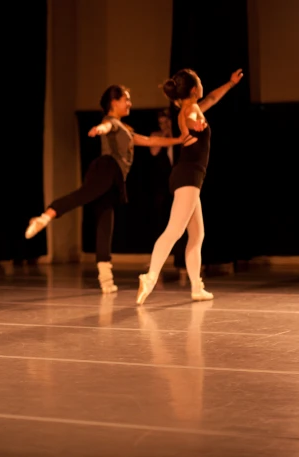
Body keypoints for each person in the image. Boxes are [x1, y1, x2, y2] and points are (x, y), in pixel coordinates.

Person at [24, 85, 192, 293]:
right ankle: (44, 217)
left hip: (115, 178)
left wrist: (178, 140)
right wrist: (99, 129)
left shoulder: (126, 130)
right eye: (126, 99)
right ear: (114, 102)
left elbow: (150, 140)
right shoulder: (111, 122)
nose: (129, 103)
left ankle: (106, 279)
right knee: (82, 196)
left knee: (105, 223)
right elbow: (106, 127)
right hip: (107, 169)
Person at [136, 68, 244, 305]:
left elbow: (212, 98)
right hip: (188, 176)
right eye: (201, 82)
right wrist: (194, 126)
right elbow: (191, 118)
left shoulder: (191, 107)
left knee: (197, 234)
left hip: (188, 176)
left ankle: (197, 287)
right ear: (194, 89)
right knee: (175, 230)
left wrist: (230, 83)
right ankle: (150, 276)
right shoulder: (190, 111)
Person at [150, 108, 188, 283]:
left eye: (166, 121)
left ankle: (182, 266)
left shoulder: (181, 134)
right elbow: (154, 151)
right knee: (161, 225)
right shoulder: (158, 135)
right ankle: (157, 265)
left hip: (180, 184)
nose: (164, 124)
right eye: (161, 122)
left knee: (181, 226)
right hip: (163, 188)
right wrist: (165, 133)